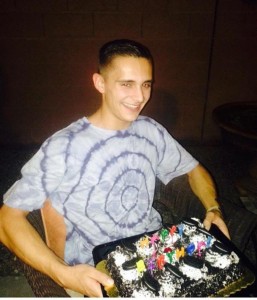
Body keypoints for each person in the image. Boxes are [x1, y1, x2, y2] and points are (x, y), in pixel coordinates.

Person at [0, 39, 230, 297]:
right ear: (100, 83)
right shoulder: (66, 146)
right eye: (126, 84)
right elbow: (6, 219)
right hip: (99, 270)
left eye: (146, 84)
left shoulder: (150, 131)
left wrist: (212, 206)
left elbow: (193, 169)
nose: (140, 96)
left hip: (153, 253)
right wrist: (61, 273)